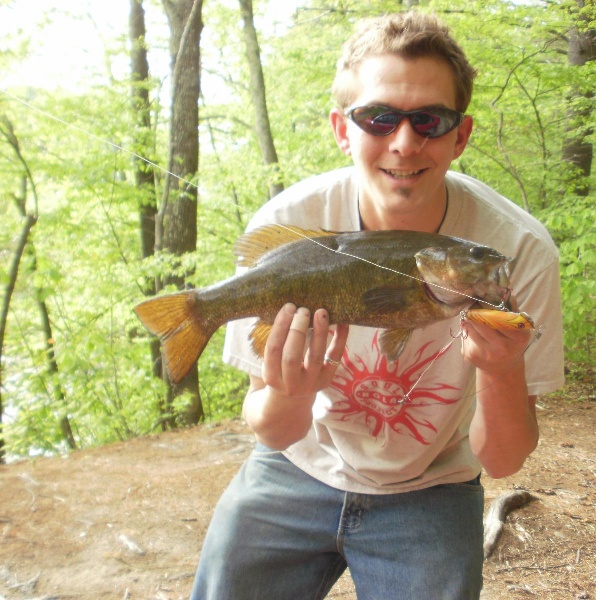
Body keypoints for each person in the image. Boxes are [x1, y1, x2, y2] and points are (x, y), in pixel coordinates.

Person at [191, 11, 563, 600]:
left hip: (433, 485)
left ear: (460, 134)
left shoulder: (514, 252)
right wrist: (291, 388)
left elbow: (504, 459)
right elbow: (274, 430)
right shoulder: (289, 225)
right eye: (379, 117)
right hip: (297, 463)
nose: (405, 141)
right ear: (343, 129)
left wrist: (501, 368)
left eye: (430, 120)